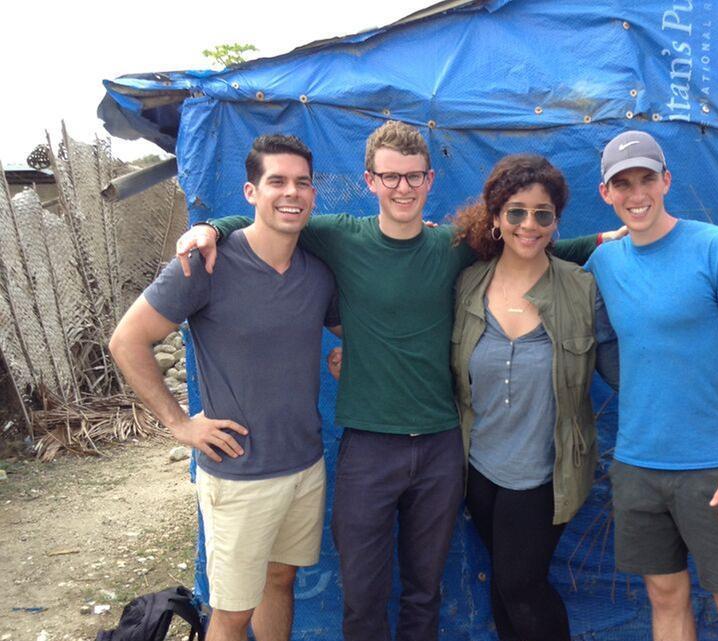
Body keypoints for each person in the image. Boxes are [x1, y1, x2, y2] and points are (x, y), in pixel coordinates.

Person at [173, 120, 625, 641]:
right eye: (390, 177)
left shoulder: (453, 248)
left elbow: (529, 245)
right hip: (368, 445)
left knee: (423, 592)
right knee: (362, 596)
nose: (403, 188)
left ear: (430, 179)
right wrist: (215, 227)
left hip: (440, 445)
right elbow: (272, 221)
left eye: (413, 177)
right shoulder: (339, 236)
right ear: (370, 181)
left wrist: (598, 240)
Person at [109, 134, 340, 641]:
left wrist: (356, 354)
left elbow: (359, 334)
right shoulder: (205, 264)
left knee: (282, 580)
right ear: (251, 192)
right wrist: (178, 424)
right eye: (276, 181)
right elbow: (127, 340)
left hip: (304, 463)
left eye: (302, 182)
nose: (291, 193)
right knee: (231, 613)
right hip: (238, 473)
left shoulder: (318, 273)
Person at [585, 131, 718, 641]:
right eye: (621, 184)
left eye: (646, 178)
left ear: (666, 180)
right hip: (637, 465)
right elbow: (530, 263)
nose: (636, 194)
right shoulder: (603, 264)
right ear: (605, 193)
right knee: (663, 596)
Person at [448, 154, 619, 640]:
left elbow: (619, 367)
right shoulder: (468, 284)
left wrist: (707, 370)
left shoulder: (582, 288)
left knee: (520, 585)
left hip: (547, 470)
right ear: (497, 217)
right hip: (477, 468)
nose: (529, 224)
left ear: (557, 221)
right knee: (505, 588)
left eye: (543, 214)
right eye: (517, 212)